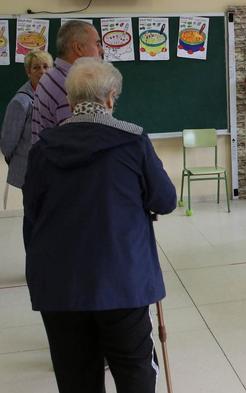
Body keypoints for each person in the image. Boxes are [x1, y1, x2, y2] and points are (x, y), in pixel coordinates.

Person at [23, 58, 177, 392]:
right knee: (134, 368)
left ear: (69, 99)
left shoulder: (43, 149)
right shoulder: (133, 142)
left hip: (60, 284)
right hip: (121, 279)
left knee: (75, 375)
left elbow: (32, 211)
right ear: (110, 98)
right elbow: (165, 200)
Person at [31, 20, 103, 143]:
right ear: (78, 48)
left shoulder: (51, 75)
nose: (102, 50)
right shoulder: (70, 88)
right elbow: (78, 145)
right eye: (97, 44)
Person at [1, 50, 53, 189]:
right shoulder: (20, 102)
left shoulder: (55, 97)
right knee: (34, 209)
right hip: (29, 170)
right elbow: (8, 143)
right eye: (36, 67)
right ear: (28, 72)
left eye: (46, 66)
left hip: (51, 167)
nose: (42, 71)